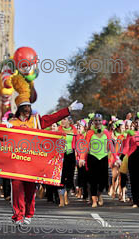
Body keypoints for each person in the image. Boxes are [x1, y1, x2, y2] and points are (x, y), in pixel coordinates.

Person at [6, 92, 83, 225]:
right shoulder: (12, 122)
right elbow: (2, 139)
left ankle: (29, 214)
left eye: (29, 107)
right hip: (17, 161)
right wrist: (4, 130)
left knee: (30, 189)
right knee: (17, 188)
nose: (27, 110)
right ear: (19, 108)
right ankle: (18, 215)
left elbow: (53, 118)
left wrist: (68, 110)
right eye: (24, 107)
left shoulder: (36, 121)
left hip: (32, 162)